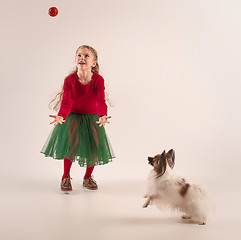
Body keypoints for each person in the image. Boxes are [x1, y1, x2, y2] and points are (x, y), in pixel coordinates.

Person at [41, 45, 115, 191]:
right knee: (71, 145)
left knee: (93, 147)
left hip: (92, 116)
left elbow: (101, 101)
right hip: (73, 115)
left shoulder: (98, 80)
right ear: (76, 60)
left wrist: (102, 115)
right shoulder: (69, 80)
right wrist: (61, 116)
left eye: (86, 56)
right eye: (79, 55)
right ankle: (66, 177)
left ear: (93, 63)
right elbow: (67, 102)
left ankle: (88, 177)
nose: (82, 58)